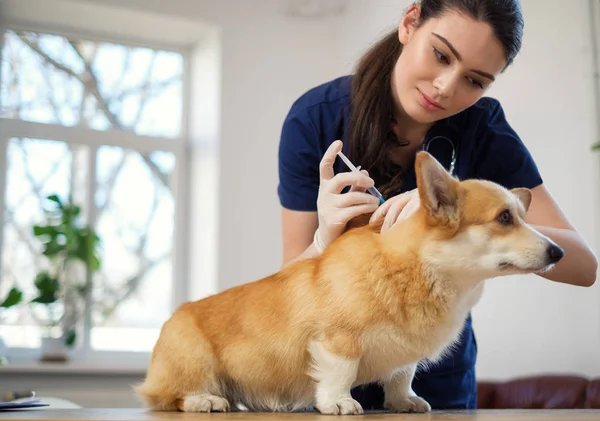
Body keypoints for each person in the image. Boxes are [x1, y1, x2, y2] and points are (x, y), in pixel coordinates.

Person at [276, 0, 598, 411]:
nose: (446, 87)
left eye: (475, 80)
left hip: (433, 381)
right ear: (410, 22)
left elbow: (583, 266)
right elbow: (288, 289)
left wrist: (463, 207)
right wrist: (324, 237)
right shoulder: (316, 119)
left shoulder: (482, 129)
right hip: (332, 377)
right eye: (441, 55)